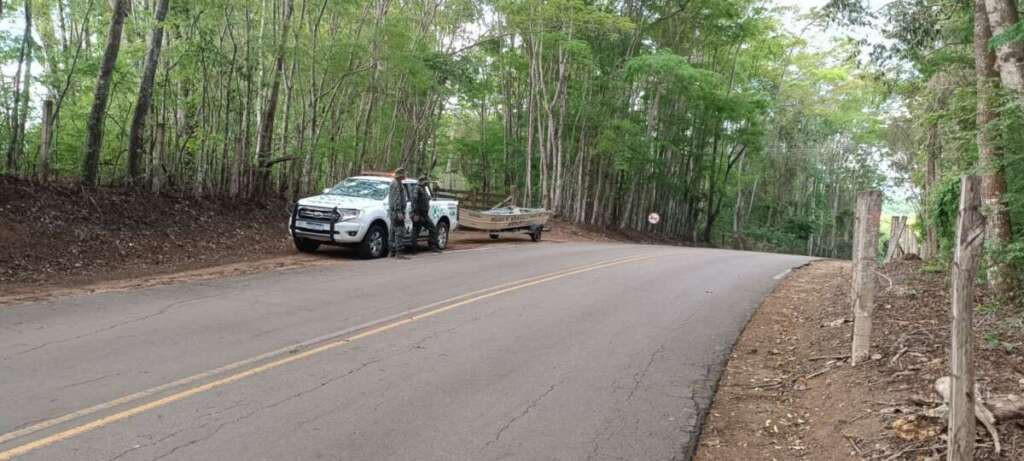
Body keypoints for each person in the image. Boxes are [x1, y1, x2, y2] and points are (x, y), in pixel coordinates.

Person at [411, 175, 440, 253]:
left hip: (424, 214)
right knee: (418, 230)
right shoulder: (417, 188)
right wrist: (416, 213)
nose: (426, 183)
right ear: (422, 181)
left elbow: (426, 198)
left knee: (420, 230)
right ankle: (414, 248)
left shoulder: (423, 189)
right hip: (419, 213)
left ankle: (431, 246)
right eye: (425, 182)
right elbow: (414, 200)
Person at [388, 168, 410, 258]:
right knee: (399, 231)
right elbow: (397, 199)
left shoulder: (396, 183)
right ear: (401, 175)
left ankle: (392, 251)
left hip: (394, 212)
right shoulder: (396, 184)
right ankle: (399, 252)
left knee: (393, 230)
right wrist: (399, 212)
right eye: (404, 174)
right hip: (397, 212)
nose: (405, 176)